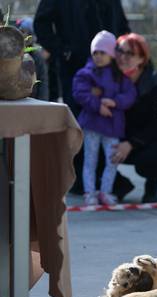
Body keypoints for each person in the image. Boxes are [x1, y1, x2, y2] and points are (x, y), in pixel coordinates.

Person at [34, 0, 131, 194]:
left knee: (108, 120)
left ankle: (106, 181)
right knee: (81, 122)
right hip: (75, 67)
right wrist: (62, 50)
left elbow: (121, 25)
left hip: (109, 70)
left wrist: (121, 56)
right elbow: (41, 23)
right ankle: (82, 179)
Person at [109, 33, 157, 203]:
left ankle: (151, 187)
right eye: (119, 51)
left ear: (141, 59)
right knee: (88, 148)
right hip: (118, 136)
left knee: (154, 156)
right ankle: (120, 185)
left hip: (146, 140)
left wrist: (131, 144)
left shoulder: (155, 84)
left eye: (129, 54)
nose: (122, 57)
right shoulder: (108, 78)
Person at [72, 31, 137, 206]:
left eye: (103, 52)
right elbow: (79, 93)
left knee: (111, 160)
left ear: (111, 54)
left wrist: (115, 102)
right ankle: (89, 192)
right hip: (92, 125)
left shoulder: (120, 76)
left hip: (112, 126)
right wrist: (98, 105)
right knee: (90, 160)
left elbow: (130, 95)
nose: (99, 56)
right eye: (95, 53)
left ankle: (105, 192)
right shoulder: (86, 73)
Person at [15, 17, 50, 101]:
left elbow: (43, 82)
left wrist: (42, 105)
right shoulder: (11, 53)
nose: (23, 35)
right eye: (20, 31)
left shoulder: (37, 57)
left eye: (25, 32)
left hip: (32, 101)